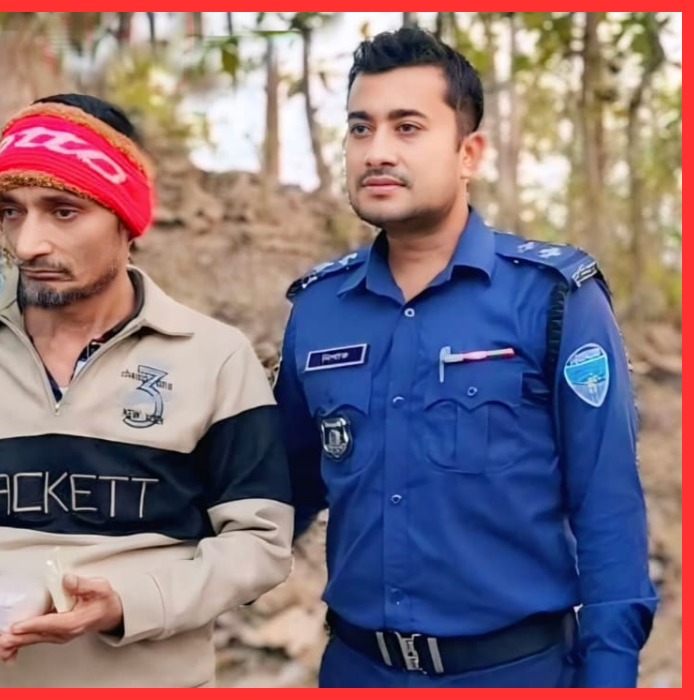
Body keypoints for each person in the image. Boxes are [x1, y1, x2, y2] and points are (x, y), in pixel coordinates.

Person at [0, 93, 294, 688]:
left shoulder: (213, 357)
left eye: (63, 211)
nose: (28, 244)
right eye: (11, 212)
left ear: (126, 218)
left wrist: (129, 604)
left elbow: (259, 543)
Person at [274, 27, 656, 688]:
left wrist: (610, 676)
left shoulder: (553, 298)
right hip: (357, 670)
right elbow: (281, 496)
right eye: (361, 128)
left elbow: (608, 511)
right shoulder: (318, 310)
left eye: (408, 127)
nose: (377, 151)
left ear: (468, 152)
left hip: (516, 672)